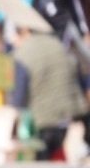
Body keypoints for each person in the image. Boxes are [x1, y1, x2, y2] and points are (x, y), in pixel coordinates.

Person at [10, 20, 89, 158]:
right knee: (56, 149)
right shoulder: (56, 43)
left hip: (43, 115)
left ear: (25, 31)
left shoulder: (23, 53)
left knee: (43, 154)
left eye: (16, 34)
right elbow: (76, 69)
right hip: (69, 110)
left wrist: (15, 119)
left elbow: (19, 94)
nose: (14, 39)